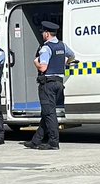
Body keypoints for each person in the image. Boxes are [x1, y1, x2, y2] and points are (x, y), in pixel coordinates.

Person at [26, 21, 74, 151]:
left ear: (47, 34)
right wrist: (64, 62)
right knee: (47, 113)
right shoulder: (62, 45)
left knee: (49, 114)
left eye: (43, 32)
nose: (42, 34)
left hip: (47, 84)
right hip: (58, 82)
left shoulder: (46, 48)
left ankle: (53, 142)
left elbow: (43, 67)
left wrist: (35, 62)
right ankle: (36, 140)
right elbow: (72, 56)